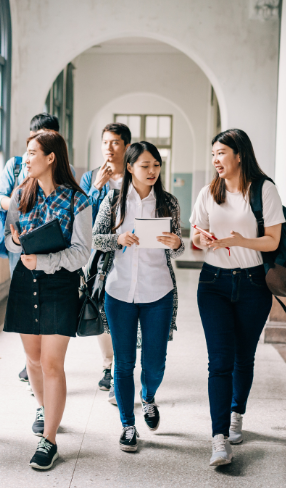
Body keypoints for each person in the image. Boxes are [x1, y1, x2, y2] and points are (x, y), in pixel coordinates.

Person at [189, 128, 284, 466]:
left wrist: (237, 241)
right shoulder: (207, 192)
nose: (216, 160)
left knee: (244, 357)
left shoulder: (263, 190)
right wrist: (204, 239)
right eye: (213, 154)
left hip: (253, 285)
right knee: (220, 361)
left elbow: (272, 240)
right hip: (213, 284)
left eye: (221, 153)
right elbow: (194, 239)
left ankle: (236, 413)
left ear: (239, 155)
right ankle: (218, 439)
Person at [4, 130, 91, 470]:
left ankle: (49, 440)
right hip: (26, 282)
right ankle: (44, 409)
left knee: (52, 364)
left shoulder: (77, 199)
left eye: (31, 152)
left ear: (50, 157)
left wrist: (45, 261)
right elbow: (8, 242)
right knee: (34, 362)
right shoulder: (20, 194)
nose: (25, 159)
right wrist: (16, 241)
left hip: (60, 285)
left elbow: (82, 252)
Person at [92, 141, 184, 452]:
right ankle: (128, 425)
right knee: (124, 362)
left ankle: (148, 396)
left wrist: (175, 243)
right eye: (145, 166)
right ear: (130, 167)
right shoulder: (113, 202)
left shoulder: (168, 203)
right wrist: (117, 238)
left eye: (156, 165)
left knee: (155, 362)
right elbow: (96, 238)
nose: (152, 171)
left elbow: (180, 244)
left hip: (158, 292)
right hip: (119, 292)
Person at [0, 113, 66, 386]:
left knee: (51, 302)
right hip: (22, 244)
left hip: (52, 250)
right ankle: (31, 361)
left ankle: (46, 359)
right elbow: (0, 197)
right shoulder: (16, 166)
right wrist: (19, 200)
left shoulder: (64, 181)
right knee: (26, 298)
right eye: (37, 139)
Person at [79, 123, 129, 401]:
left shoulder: (135, 175)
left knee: (125, 310)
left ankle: (121, 365)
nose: (109, 148)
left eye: (115, 143)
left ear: (126, 147)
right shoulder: (89, 177)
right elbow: (82, 215)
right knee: (102, 309)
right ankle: (108, 365)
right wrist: (97, 186)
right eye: (105, 142)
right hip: (99, 254)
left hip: (129, 252)